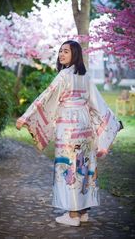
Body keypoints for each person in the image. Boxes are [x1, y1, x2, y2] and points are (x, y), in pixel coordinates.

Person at [16, 40, 123, 227]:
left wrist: (26, 116)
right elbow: (98, 104)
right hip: (84, 125)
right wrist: (112, 123)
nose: (61, 55)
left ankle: (72, 215)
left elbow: (45, 98)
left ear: (75, 54)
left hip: (68, 127)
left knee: (69, 168)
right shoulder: (85, 76)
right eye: (60, 51)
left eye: (66, 51)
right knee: (84, 165)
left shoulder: (64, 75)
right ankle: (82, 212)